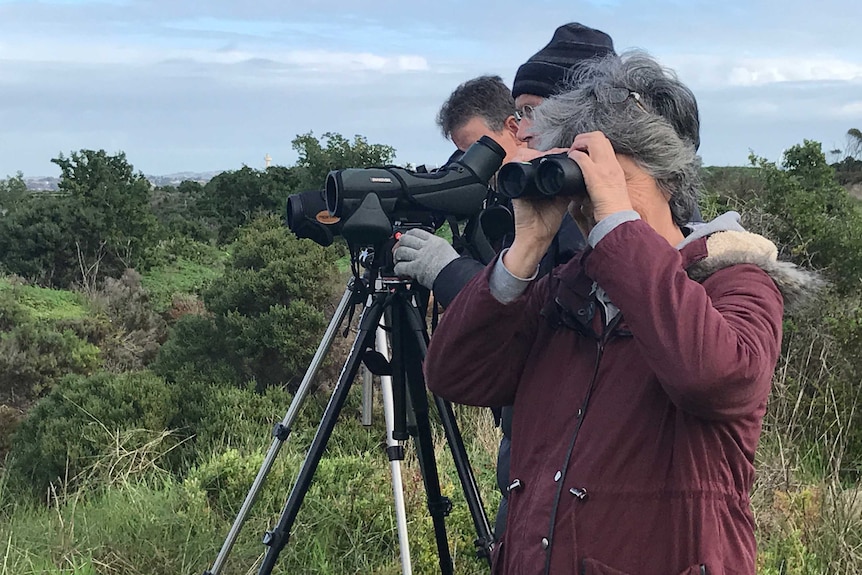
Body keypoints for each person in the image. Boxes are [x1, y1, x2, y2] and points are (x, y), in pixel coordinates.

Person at [424, 50, 818, 574]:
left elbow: (715, 379)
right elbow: (456, 374)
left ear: (668, 175)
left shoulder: (737, 281)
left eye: (608, 176)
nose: (589, 199)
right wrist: (522, 253)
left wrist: (617, 223)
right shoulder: (567, 289)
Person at [394, 23, 618, 541]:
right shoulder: (511, 202)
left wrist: (449, 272)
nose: (476, 167)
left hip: (568, 444)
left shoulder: (580, 209)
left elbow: (550, 317)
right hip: (525, 432)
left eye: (533, 116)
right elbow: (452, 373)